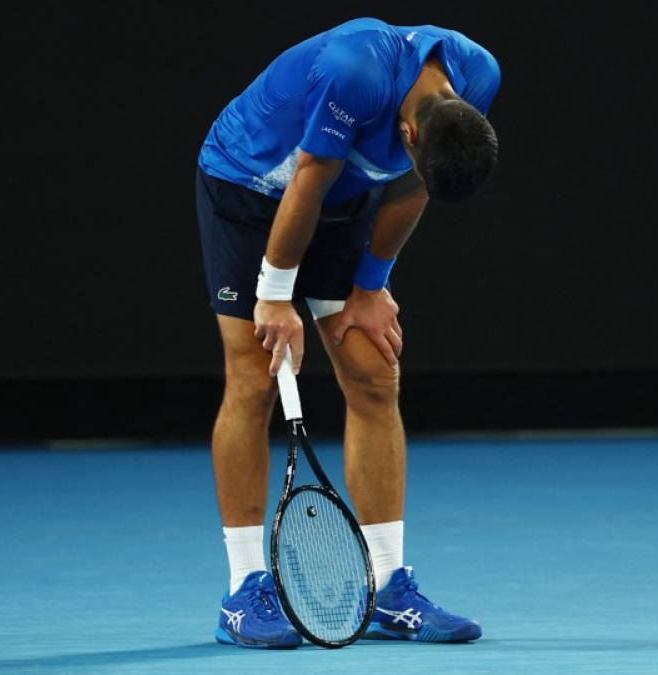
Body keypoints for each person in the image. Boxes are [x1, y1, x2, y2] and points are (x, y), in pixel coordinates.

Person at [195, 17, 500, 649]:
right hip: (248, 187)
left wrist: (370, 284)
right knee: (253, 376)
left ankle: (389, 588)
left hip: (341, 196)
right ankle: (243, 589)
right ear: (408, 131)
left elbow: (416, 181)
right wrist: (275, 297)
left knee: (373, 372)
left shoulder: (478, 78)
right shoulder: (355, 71)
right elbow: (308, 176)